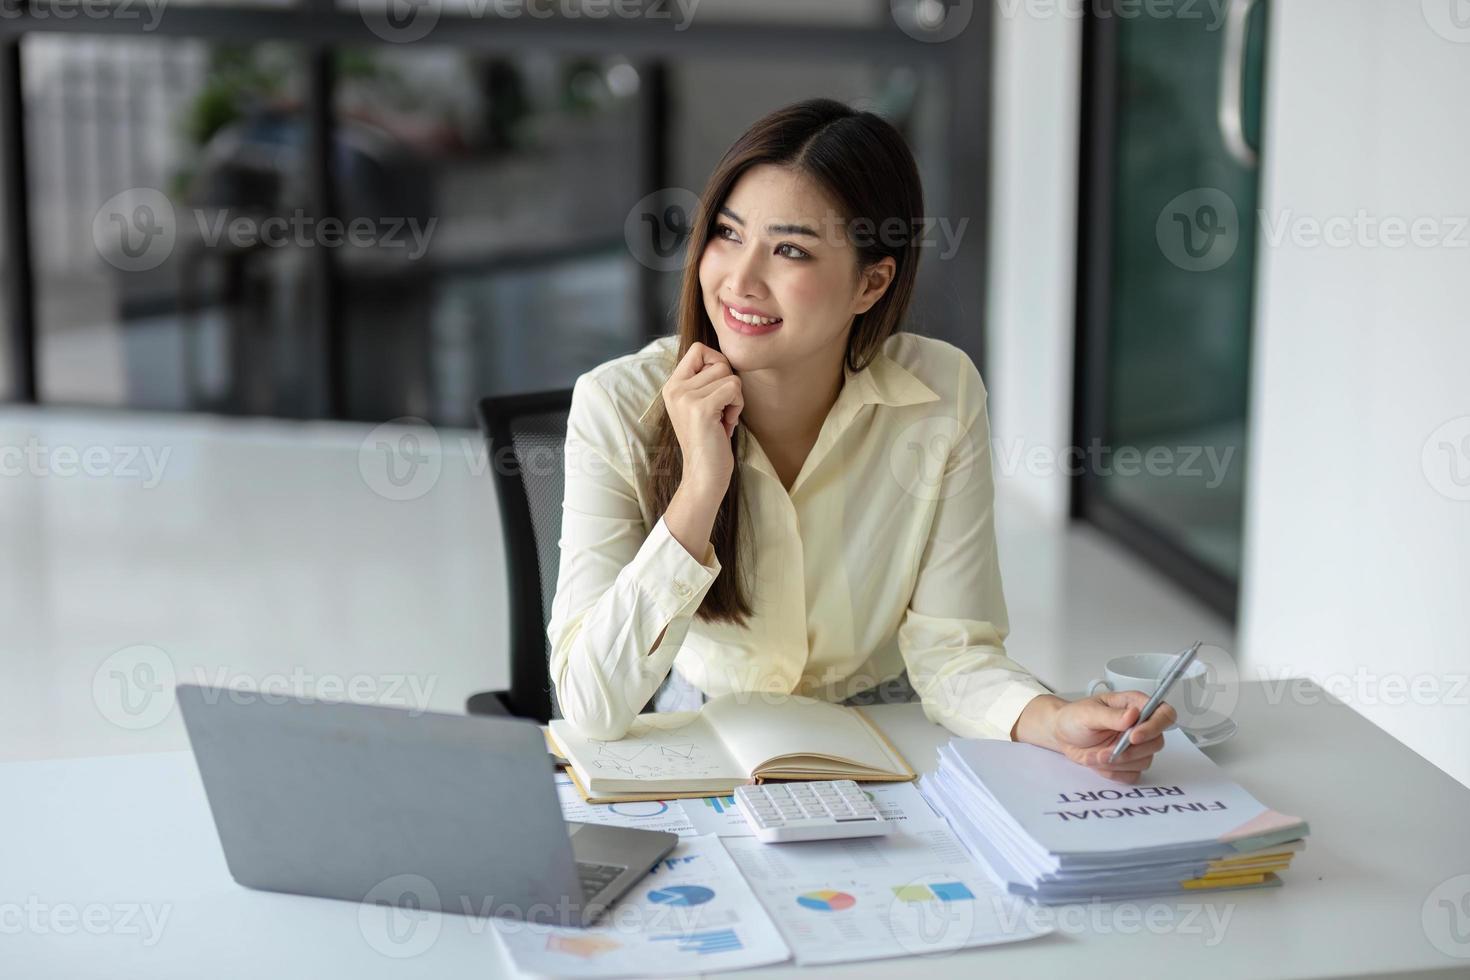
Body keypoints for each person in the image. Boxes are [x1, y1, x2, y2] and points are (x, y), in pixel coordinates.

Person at [547, 98, 1175, 782]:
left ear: (872, 283)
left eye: (790, 249)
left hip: (885, 731)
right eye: (727, 234)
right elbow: (590, 705)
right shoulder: (617, 404)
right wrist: (700, 489)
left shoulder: (941, 393)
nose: (740, 280)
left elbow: (952, 652)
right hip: (703, 733)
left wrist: (1053, 718)